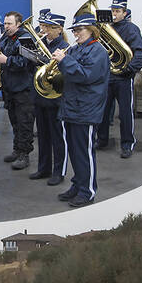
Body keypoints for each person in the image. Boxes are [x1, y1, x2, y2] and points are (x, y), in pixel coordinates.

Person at [55, 12, 111, 208]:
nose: (76, 34)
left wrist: (64, 61)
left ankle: (87, 191)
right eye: (75, 30)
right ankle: (78, 184)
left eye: (79, 30)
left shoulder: (98, 51)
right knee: (75, 151)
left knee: (84, 153)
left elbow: (85, 76)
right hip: (73, 106)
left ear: (91, 30)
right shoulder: (77, 49)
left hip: (85, 109)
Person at [97, 0, 142, 158]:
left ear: (125, 13)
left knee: (125, 113)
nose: (114, 14)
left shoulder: (131, 29)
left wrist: (130, 69)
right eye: (112, 11)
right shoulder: (104, 28)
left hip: (124, 77)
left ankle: (127, 144)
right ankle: (102, 139)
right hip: (108, 76)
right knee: (103, 111)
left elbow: (141, 52)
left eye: (118, 11)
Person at [28, 11, 69, 186]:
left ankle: (59, 171)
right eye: (43, 26)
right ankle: (43, 167)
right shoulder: (41, 43)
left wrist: (47, 62)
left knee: (57, 137)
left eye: (47, 27)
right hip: (40, 96)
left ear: (58, 29)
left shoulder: (64, 47)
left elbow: (63, 74)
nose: (43, 30)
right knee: (43, 135)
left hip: (55, 97)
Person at [0, 10, 35, 171]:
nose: (6, 26)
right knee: (14, 121)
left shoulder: (26, 38)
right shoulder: (5, 37)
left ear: (18, 24)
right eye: (5, 23)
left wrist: (6, 60)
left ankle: (25, 154)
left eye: (9, 24)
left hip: (23, 87)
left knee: (24, 121)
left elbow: (27, 61)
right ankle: (17, 149)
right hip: (10, 87)